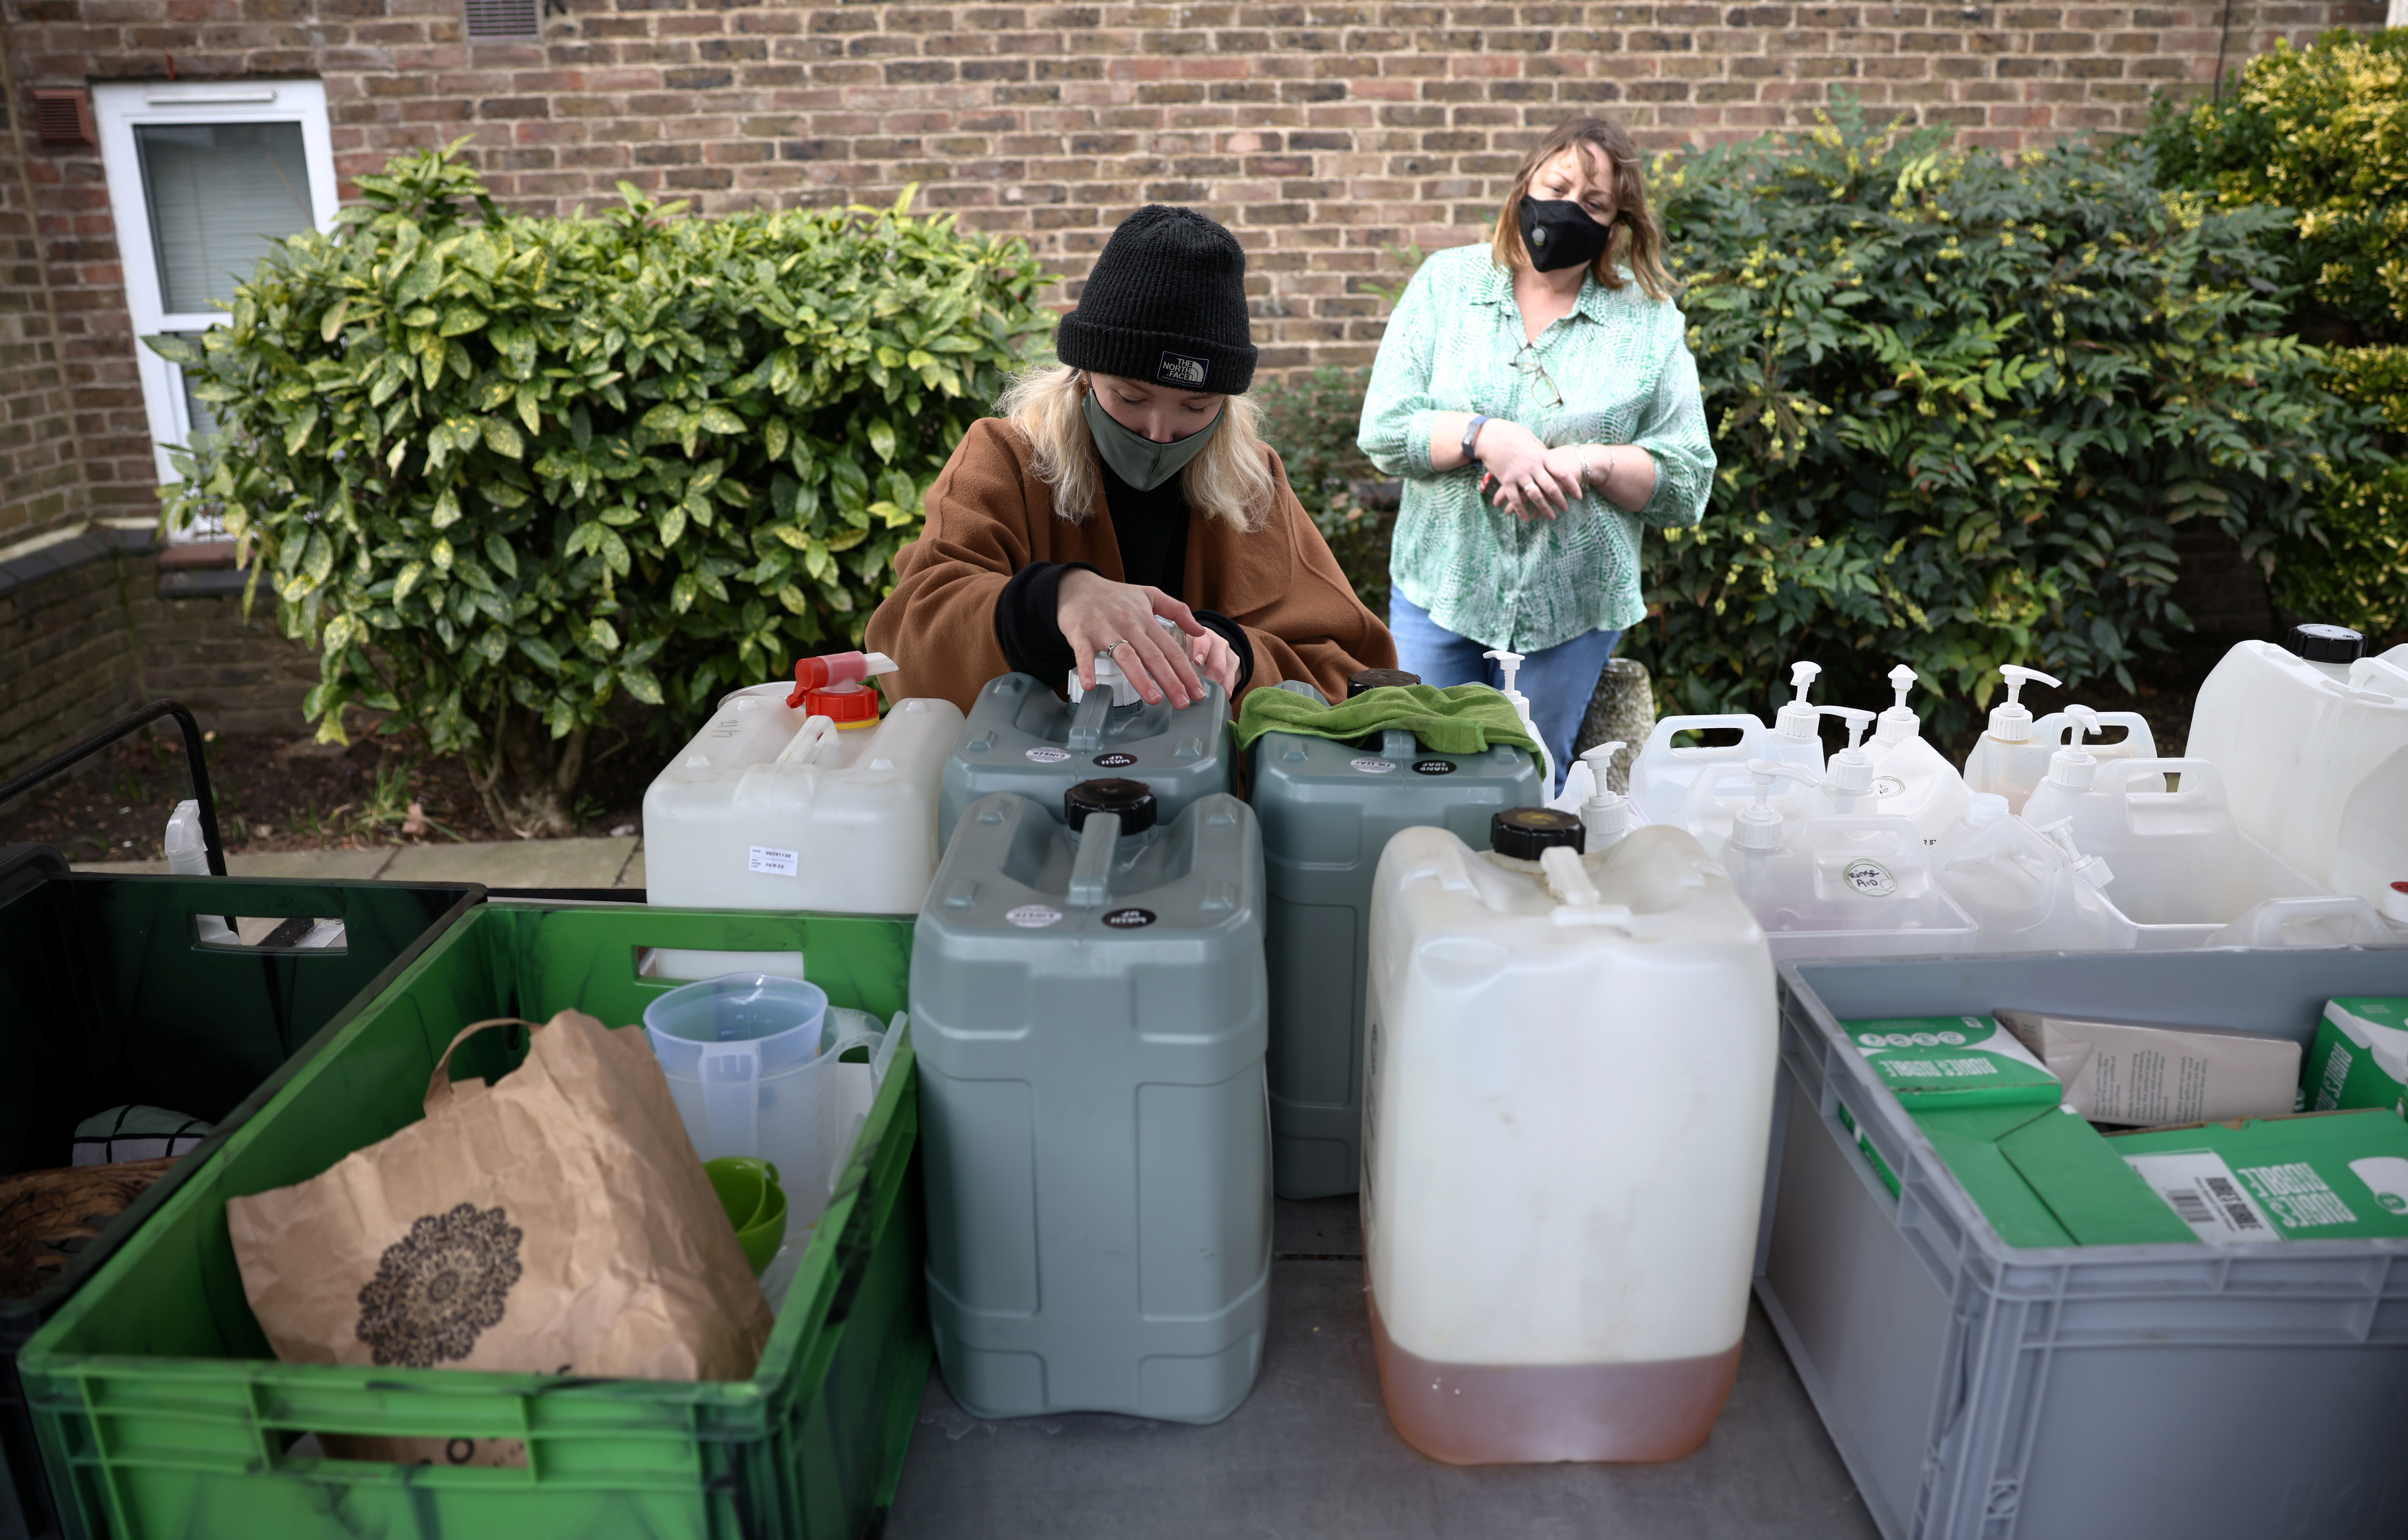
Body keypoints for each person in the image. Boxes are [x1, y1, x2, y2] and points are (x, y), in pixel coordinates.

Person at [867, 205, 1395, 715]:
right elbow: (909, 643)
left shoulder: (1253, 481)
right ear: (1083, 377)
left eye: (1196, 407)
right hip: (1043, 786)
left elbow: (1349, 670)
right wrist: (1054, 601)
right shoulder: (1006, 456)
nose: (1159, 434)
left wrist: (1239, 654)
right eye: (1131, 398)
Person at [1357, 116, 1715, 790]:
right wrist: (1484, 436)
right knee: (1421, 774)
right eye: (1556, 187)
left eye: (1594, 204)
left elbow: (1687, 481)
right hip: (1441, 589)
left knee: (1525, 780)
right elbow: (1383, 429)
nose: (1568, 210)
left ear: (1617, 226)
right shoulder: (1446, 285)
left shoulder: (1649, 323)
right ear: (1525, 185)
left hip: (1570, 609)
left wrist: (1593, 462)